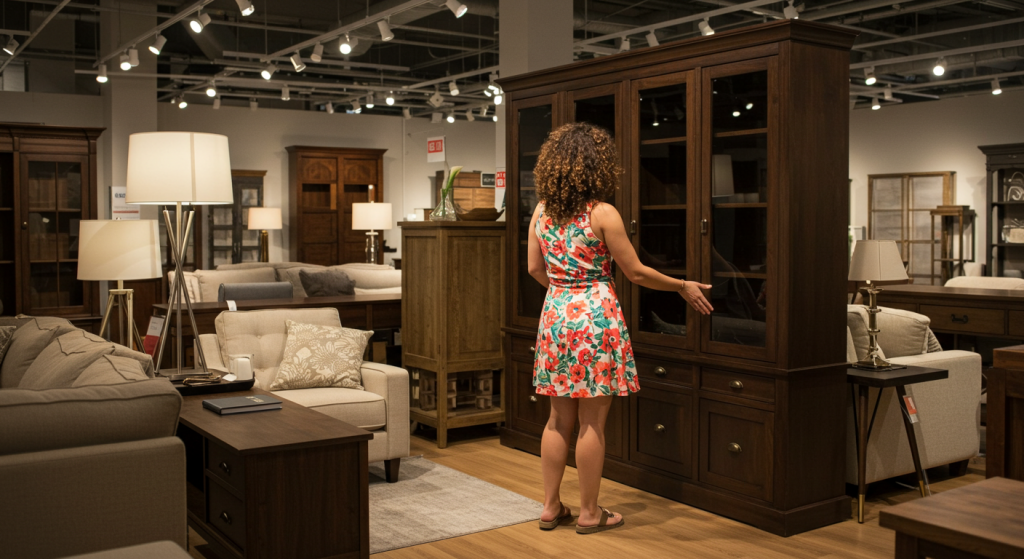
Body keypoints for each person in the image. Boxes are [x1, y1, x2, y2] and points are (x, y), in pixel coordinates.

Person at [527, 122, 713, 534]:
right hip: (595, 317)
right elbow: (637, 273)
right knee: (593, 421)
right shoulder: (602, 213)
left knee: (558, 420)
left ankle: (549, 507)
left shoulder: (541, 211)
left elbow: (534, 269)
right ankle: (591, 513)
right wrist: (682, 285)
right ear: (598, 167)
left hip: (556, 315)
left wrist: (565, 292)